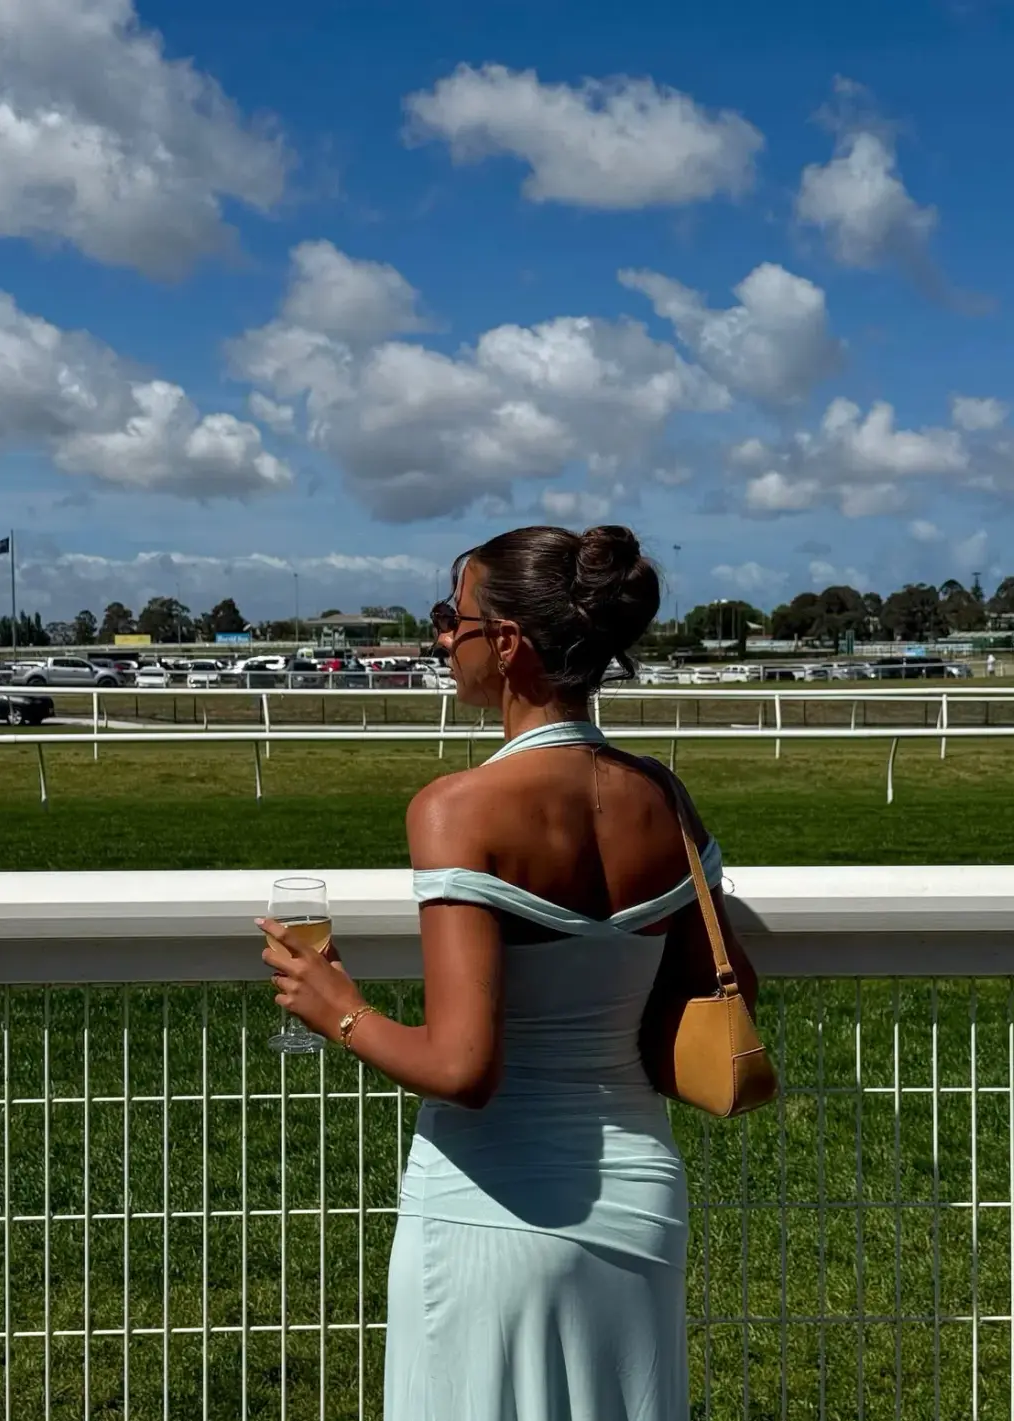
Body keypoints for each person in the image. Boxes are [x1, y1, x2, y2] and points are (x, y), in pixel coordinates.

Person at [260, 524, 759, 1420]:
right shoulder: (664, 797)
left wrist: (336, 1009)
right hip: (641, 1198)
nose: (442, 640)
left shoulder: (455, 809)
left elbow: (465, 1068)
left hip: (489, 1210)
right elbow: (726, 985)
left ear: (508, 643)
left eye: (451, 620)